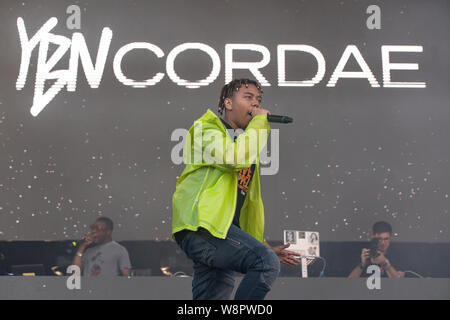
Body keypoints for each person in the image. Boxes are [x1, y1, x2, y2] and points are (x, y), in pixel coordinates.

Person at [172, 78, 301, 300]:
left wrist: (261, 245)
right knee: (264, 262)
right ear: (228, 103)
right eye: (248, 98)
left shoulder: (243, 145)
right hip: (202, 227)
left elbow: (239, 206)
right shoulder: (207, 128)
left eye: (258, 100)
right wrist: (260, 123)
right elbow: (232, 158)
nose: (255, 105)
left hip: (221, 231)